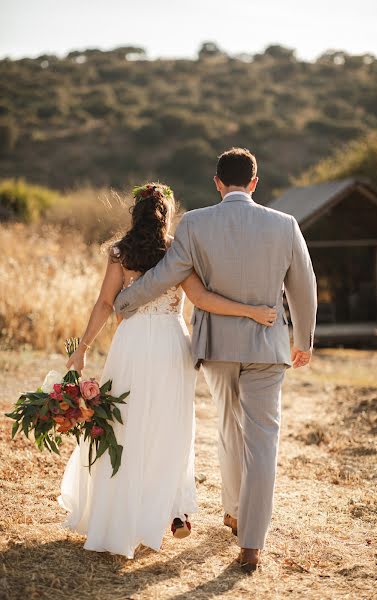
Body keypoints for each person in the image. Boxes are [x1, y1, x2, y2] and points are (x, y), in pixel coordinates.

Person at [114, 148, 318, 572]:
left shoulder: (196, 222)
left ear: (218, 183)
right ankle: (251, 543)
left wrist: (127, 299)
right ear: (255, 183)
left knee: (228, 426)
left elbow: (168, 273)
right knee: (263, 442)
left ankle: (234, 510)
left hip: (219, 348)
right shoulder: (285, 225)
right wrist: (304, 338)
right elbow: (304, 286)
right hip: (268, 348)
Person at [58, 181, 278, 559]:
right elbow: (203, 299)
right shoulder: (178, 249)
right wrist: (251, 311)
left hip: (132, 344)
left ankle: (124, 514)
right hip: (172, 347)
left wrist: (81, 350)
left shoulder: (120, 252)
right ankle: (174, 511)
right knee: (173, 427)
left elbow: (104, 304)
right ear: (167, 213)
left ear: (136, 212)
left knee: (124, 426)